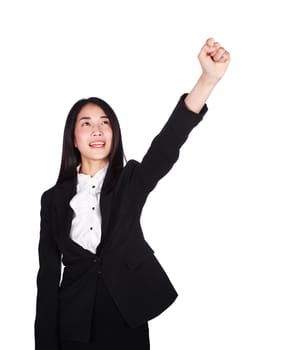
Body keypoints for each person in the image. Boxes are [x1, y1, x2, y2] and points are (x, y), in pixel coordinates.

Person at [34, 38, 230, 350]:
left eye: (105, 123)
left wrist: (207, 79)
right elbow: (47, 277)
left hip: (127, 317)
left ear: (114, 134)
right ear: (73, 137)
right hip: (72, 325)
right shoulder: (52, 200)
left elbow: (167, 143)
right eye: (86, 124)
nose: (97, 130)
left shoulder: (130, 181)